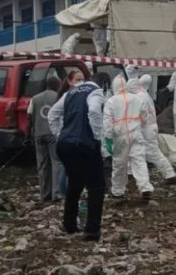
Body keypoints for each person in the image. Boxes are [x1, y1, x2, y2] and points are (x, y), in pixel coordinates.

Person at [49, 72, 111, 241]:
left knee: (75, 183)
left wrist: (59, 134)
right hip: (84, 144)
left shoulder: (70, 92)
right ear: (105, 85)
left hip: (64, 145)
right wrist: (97, 137)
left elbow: (52, 114)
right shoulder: (96, 92)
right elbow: (94, 111)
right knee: (96, 186)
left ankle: (69, 224)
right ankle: (92, 230)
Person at [102, 75, 153, 201]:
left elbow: (107, 122)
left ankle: (118, 191)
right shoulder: (137, 99)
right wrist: (140, 125)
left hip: (120, 136)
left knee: (119, 164)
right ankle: (145, 187)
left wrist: (108, 138)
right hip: (136, 134)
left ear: (114, 87)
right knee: (139, 161)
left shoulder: (111, 101)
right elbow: (145, 117)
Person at [130, 76, 176, 184]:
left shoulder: (139, 97)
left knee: (153, 152)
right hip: (149, 127)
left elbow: (139, 115)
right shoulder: (144, 94)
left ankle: (169, 174)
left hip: (146, 128)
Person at [28, 76, 63, 202]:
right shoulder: (58, 97)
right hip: (53, 134)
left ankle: (44, 194)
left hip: (39, 134)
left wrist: (30, 132)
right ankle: (56, 193)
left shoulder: (35, 98)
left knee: (42, 164)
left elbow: (29, 115)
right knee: (56, 162)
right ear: (57, 85)